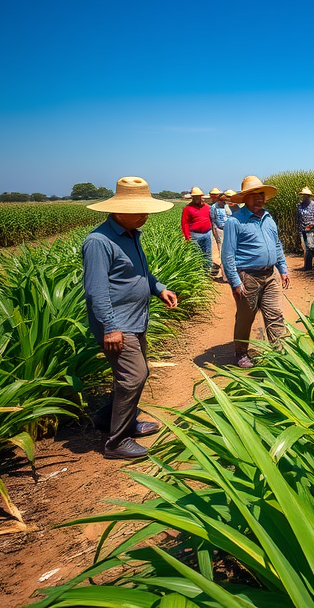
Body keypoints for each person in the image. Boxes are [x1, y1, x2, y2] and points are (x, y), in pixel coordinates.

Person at [82, 177, 179, 460]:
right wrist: (110, 327)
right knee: (134, 376)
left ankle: (107, 418)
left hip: (135, 320)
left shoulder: (131, 234)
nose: (145, 215)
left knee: (131, 375)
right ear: (118, 210)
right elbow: (96, 291)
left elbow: (140, 273)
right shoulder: (99, 242)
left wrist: (159, 289)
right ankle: (117, 442)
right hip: (118, 324)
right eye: (138, 209)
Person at [221, 176, 290, 368]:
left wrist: (283, 268)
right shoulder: (235, 222)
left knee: (275, 314)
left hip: (270, 275)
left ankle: (281, 352)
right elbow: (228, 254)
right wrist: (235, 282)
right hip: (248, 277)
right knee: (246, 317)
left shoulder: (268, 218)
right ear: (245, 198)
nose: (259, 198)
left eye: (261, 194)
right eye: (254, 195)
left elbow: (277, 245)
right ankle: (241, 352)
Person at [181, 186, 215, 276]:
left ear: (201, 197)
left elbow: (212, 219)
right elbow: (184, 223)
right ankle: (198, 273)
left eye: (198, 197)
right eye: (195, 197)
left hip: (207, 233)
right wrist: (187, 237)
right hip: (195, 235)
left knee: (208, 253)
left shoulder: (207, 207)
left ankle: (207, 273)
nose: (197, 198)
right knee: (196, 254)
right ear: (192, 197)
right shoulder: (187, 209)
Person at [295, 186, 314, 271]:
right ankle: (307, 266)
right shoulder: (299, 205)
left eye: (307, 195)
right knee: (305, 247)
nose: (305, 197)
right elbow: (297, 217)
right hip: (302, 229)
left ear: (309, 196)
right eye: (304, 195)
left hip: (310, 229)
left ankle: (308, 266)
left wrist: (312, 223)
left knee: (310, 247)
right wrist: (297, 227)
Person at [208, 188, 230, 277]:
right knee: (222, 251)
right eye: (222, 200)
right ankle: (224, 274)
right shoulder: (214, 207)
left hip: (228, 230)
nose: (223, 202)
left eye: (224, 200)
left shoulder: (227, 206)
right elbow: (213, 220)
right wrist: (215, 232)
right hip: (219, 230)